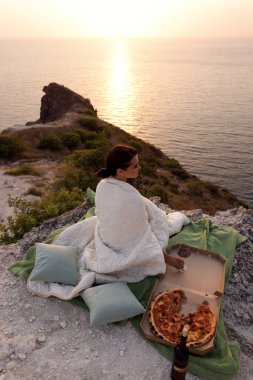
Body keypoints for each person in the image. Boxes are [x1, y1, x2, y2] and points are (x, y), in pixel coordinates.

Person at [95, 144, 186, 272]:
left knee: (148, 207)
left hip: (107, 239)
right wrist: (165, 258)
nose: (140, 167)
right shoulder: (131, 199)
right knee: (163, 219)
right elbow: (144, 235)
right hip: (121, 245)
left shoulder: (102, 185)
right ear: (120, 172)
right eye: (135, 166)